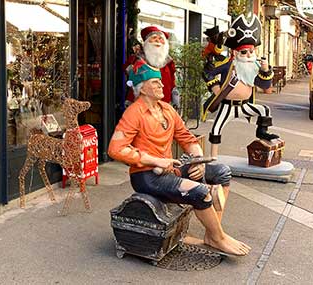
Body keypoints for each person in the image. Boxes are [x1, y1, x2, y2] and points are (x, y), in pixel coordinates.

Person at [108, 60, 251, 256]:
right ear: (142, 88)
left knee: (221, 173)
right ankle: (218, 238)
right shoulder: (134, 112)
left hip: (171, 168)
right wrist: (156, 160)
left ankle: (213, 233)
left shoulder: (167, 109)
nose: (162, 86)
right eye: (155, 83)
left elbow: (186, 137)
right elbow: (115, 149)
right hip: (147, 176)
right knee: (201, 192)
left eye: (160, 82)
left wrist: (198, 161)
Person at [202, 14, 279, 158]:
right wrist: (215, 87)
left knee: (264, 110)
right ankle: (213, 157)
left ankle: (262, 133)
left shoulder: (255, 66)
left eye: (251, 51)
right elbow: (208, 72)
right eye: (244, 52)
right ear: (235, 52)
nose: (249, 55)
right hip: (227, 105)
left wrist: (265, 70)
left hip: (245, 105)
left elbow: (265, 86)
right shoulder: (227, 64)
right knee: (216, 128)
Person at [125, 26, 180, 109]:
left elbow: (172, 84)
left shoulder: (169, 63)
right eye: (154, 38)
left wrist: (175, 99)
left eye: (161, 38)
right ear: (146, 42)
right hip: (142, 108)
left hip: (164, 106)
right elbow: (131, 79)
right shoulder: (137, 60)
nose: (158, 41)